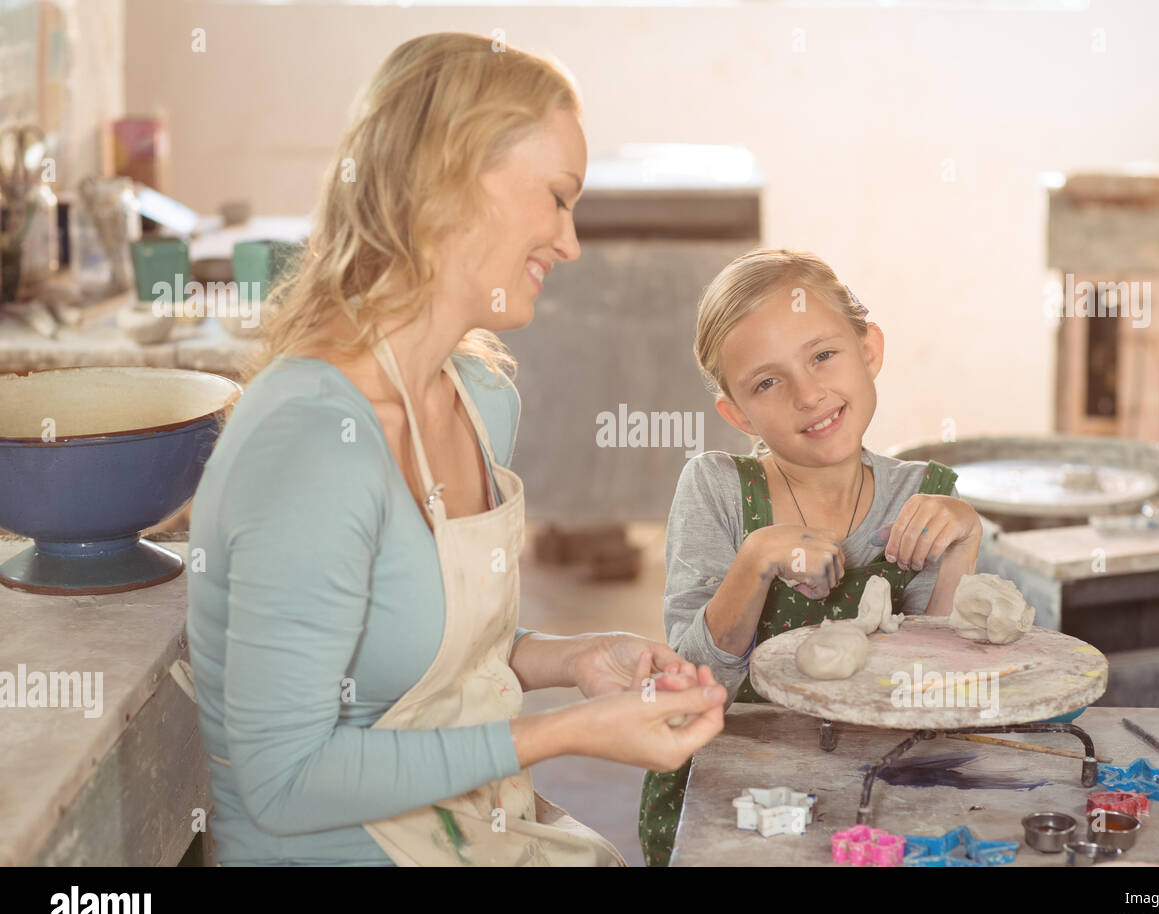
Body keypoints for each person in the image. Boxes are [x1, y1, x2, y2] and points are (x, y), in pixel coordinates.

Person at [185, 32, 725, 867]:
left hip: (468, 829)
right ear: (452, 181)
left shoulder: (477, 398)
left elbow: (415, 653)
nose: (570, 242)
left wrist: (571, 660)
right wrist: (567, 733)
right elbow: (284, 781)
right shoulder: (310, 448)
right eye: (555, 197)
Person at [637, 249, 984, 865]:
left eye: (823, 355)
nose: (808, 394)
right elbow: (694, 684)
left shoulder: (921, 495)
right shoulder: (717, 488)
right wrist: (754, 562)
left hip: (876, 790)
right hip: (740, 800)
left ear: (869, 349)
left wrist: (963, 546)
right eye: (768, 382)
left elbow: (937, 691)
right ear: (738, 413)